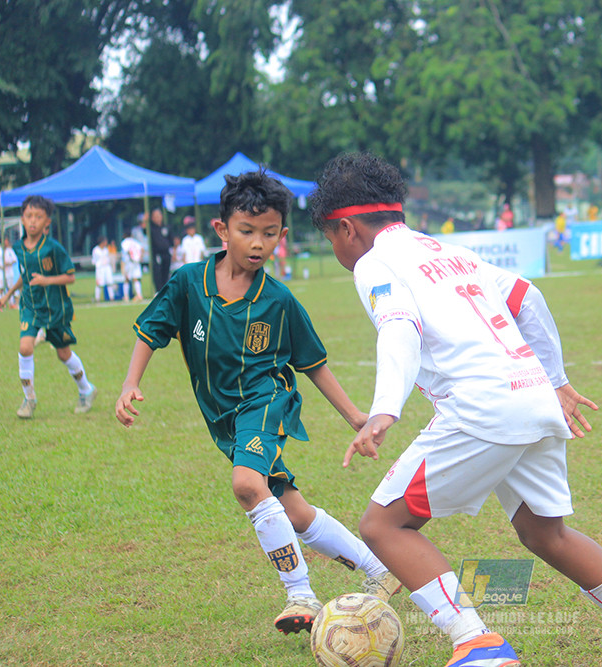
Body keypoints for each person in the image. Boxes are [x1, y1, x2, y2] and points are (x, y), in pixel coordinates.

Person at [309, 152, 602, 667]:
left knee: (382, 527)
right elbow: (527, 298)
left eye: (329, 238)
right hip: (532, 393)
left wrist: (384, 410)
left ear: (347, 228)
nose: (335, 249)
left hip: (481, 408)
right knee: (544, 532)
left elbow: (399, 326)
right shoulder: (452, 251)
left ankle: (476, 641)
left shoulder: (375, 262)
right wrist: (556, 381)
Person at [115, 171, 399, 636]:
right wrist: (130, 382)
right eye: (246, 231)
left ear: (281, 237)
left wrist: (354, 416)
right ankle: (380, 569)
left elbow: (313, 363)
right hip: (225, 421)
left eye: (269, 234)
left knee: (247, 484)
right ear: (222, 230)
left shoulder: (278, 301)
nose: (257, 243)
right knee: (295, 512)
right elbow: (151, 331)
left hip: (266, 403)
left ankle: (300, 593)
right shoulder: (189, 283)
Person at [0, 195, 97, 418]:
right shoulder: (18, 247)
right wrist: (8, 295)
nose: (33, 220)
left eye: (38, 217)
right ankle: (29, 399)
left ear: (47, 222)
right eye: (29, 216)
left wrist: (46, 280)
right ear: (22, 219)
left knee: (63, 353)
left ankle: (86, 390)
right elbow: (25, 275)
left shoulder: (53, 248)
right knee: (25, 348)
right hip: (31, 306)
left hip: (55, 309)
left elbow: (70, 277)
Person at [149, 207, 172, 292]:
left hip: (166, 253)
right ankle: (158, 290)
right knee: (158, 272)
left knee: (166, 272)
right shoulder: (151, 228)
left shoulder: (166, 227)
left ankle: (165, 289)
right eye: (155, 216)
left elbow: (171, 240)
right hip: (157, 254)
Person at [120, 228, 145, 302]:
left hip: (129, 262)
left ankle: (126, 296)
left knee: (126, 279)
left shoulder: (125, 242)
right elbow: (142, 249)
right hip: (136, 261)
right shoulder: (135, 241)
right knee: (136, 279)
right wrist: (140, 257)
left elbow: (127, 251)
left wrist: (130, 258)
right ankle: (139, 295)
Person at [0, 240, 19, 308]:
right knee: (1, 288)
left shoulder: (10, 251)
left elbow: (14, 260)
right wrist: (0, 266)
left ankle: (12, 304)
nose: (6, 242)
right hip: (1, 273)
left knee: (10, 288)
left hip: (9, 273)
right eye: (5, 241)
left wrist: (8, 263)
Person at [91, 235, 115, 302]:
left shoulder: (106, 249)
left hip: (107, 267)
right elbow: (94, 261)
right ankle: (97, 298)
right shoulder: (96, 250)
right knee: (99, 284)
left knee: (109, 283)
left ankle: (112, 297)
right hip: (100, 269)